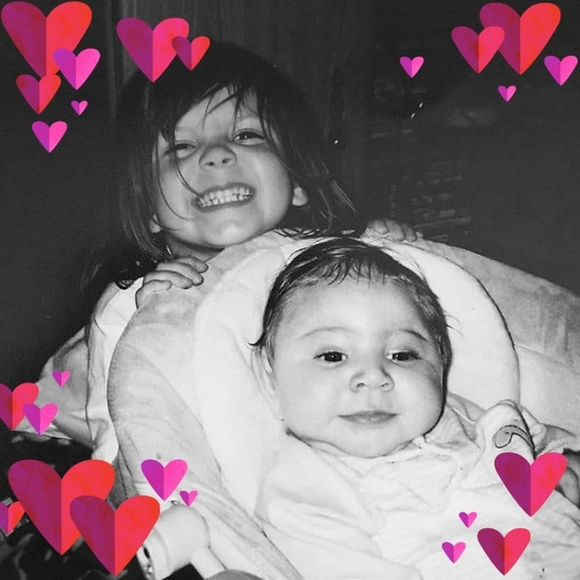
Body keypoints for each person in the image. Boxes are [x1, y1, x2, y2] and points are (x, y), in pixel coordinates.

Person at [16, 41, 417, 462]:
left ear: (297, 180)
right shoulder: (129, 307)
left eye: (246, 135)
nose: (217, 154)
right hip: (84, 411)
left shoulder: (323, 258)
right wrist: (154, 331)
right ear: (147, 207)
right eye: (181, 147)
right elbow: (125, 450)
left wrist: (388, 251)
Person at [254, 238, 580, 580]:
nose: (374, 376)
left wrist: (564, 465)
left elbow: (539, 444)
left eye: (402, 355)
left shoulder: (469, 418)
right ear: (269, 375)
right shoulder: (302, 492)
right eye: (333, 356)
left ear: (441, 366)